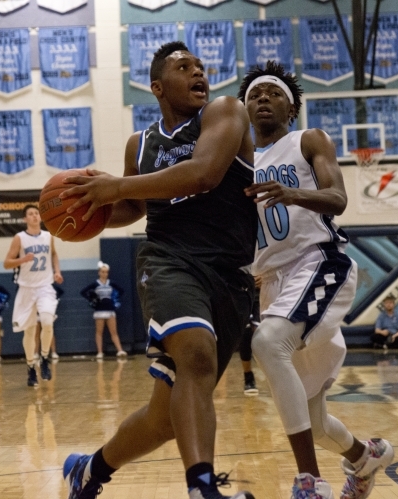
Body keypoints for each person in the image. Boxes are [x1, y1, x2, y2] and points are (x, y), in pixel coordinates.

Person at [59, 41, 257, 499]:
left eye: (201, 66)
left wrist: (116, 187)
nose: (198, 72)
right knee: (197, 357)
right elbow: (131, 207)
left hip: (229, 274)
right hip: (168, 259)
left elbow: (204, 172)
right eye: (184, 67)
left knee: (166, 418)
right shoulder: (140, 144)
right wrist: (85, 207)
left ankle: (90, 470)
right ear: (156, 86)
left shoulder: (226, 111)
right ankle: (202, 490)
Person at [240, 61, 393, 499]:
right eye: (255, 94)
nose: (263, 98)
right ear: (245, 109)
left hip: (319, 263)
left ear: (291, 107)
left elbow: (338, 199)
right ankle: (366, 457)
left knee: (268, 343)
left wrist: (293, 194)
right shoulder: (240, 163)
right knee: (312, 416)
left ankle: (310, 482)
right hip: (273, 282)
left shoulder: (307, 140)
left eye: (273, 92)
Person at [3, 204, 63, 388]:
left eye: (37, 213)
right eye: (31, 214)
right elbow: (6, 263)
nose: (35, 216)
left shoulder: (48, 236)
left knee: (47, 321)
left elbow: (53, 254)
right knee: (29, 331)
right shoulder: (19, 238)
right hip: (26, 288)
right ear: (25, 219)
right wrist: (22, 260)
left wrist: (57, 271)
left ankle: (44, 357)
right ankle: (30, 366)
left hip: (45, 285)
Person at [80, 261, 127, 360]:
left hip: (110, 310)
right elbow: (83, 292)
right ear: (99, 272)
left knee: (114, 332)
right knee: (99, 332)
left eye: (106, 272)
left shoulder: (111, 283)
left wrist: (115, 299)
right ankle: (100, 352)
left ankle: (120, 350)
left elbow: (121, 291)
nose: (104, 274)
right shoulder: (95, 284)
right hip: (99, 311)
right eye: (102, 272)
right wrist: (92, 299)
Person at [240, 274, 261, 395]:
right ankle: (248, 376)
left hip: (264, 294)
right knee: (246, 334)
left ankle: (277, 376)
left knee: (265, 335)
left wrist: (265, 277)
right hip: (241, 291)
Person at [35, 283, 64, 361]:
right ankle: (36, 353)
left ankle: (53, 352)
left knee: (49, 331)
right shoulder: (35, 284)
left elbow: (61, 291)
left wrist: (54, 300)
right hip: (36, 312)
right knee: (36, 333)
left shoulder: (52, 285)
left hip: (47, 311)